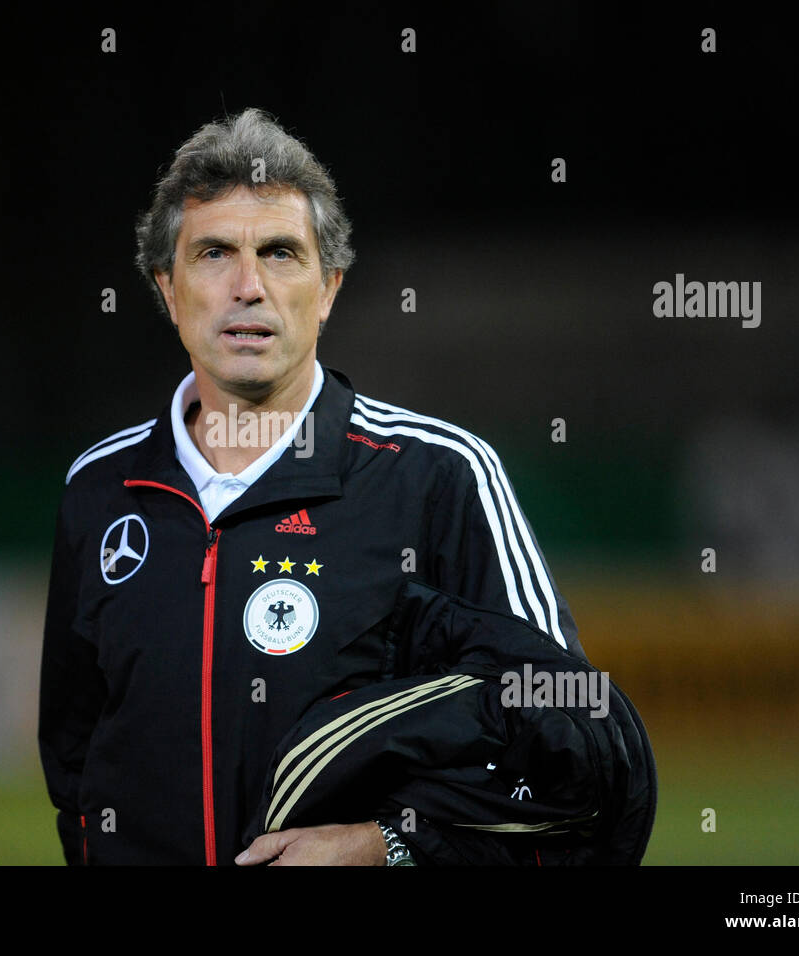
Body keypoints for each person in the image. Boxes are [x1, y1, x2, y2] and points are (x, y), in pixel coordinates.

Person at [38, 107, 652, 865]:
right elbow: (74, 767)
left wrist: (386, 845)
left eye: (281, 253)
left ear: (328, 288)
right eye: (214, 254)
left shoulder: (439, 477)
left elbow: (578, 744)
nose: (248, 286)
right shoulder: (101, 488)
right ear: (167, 288)